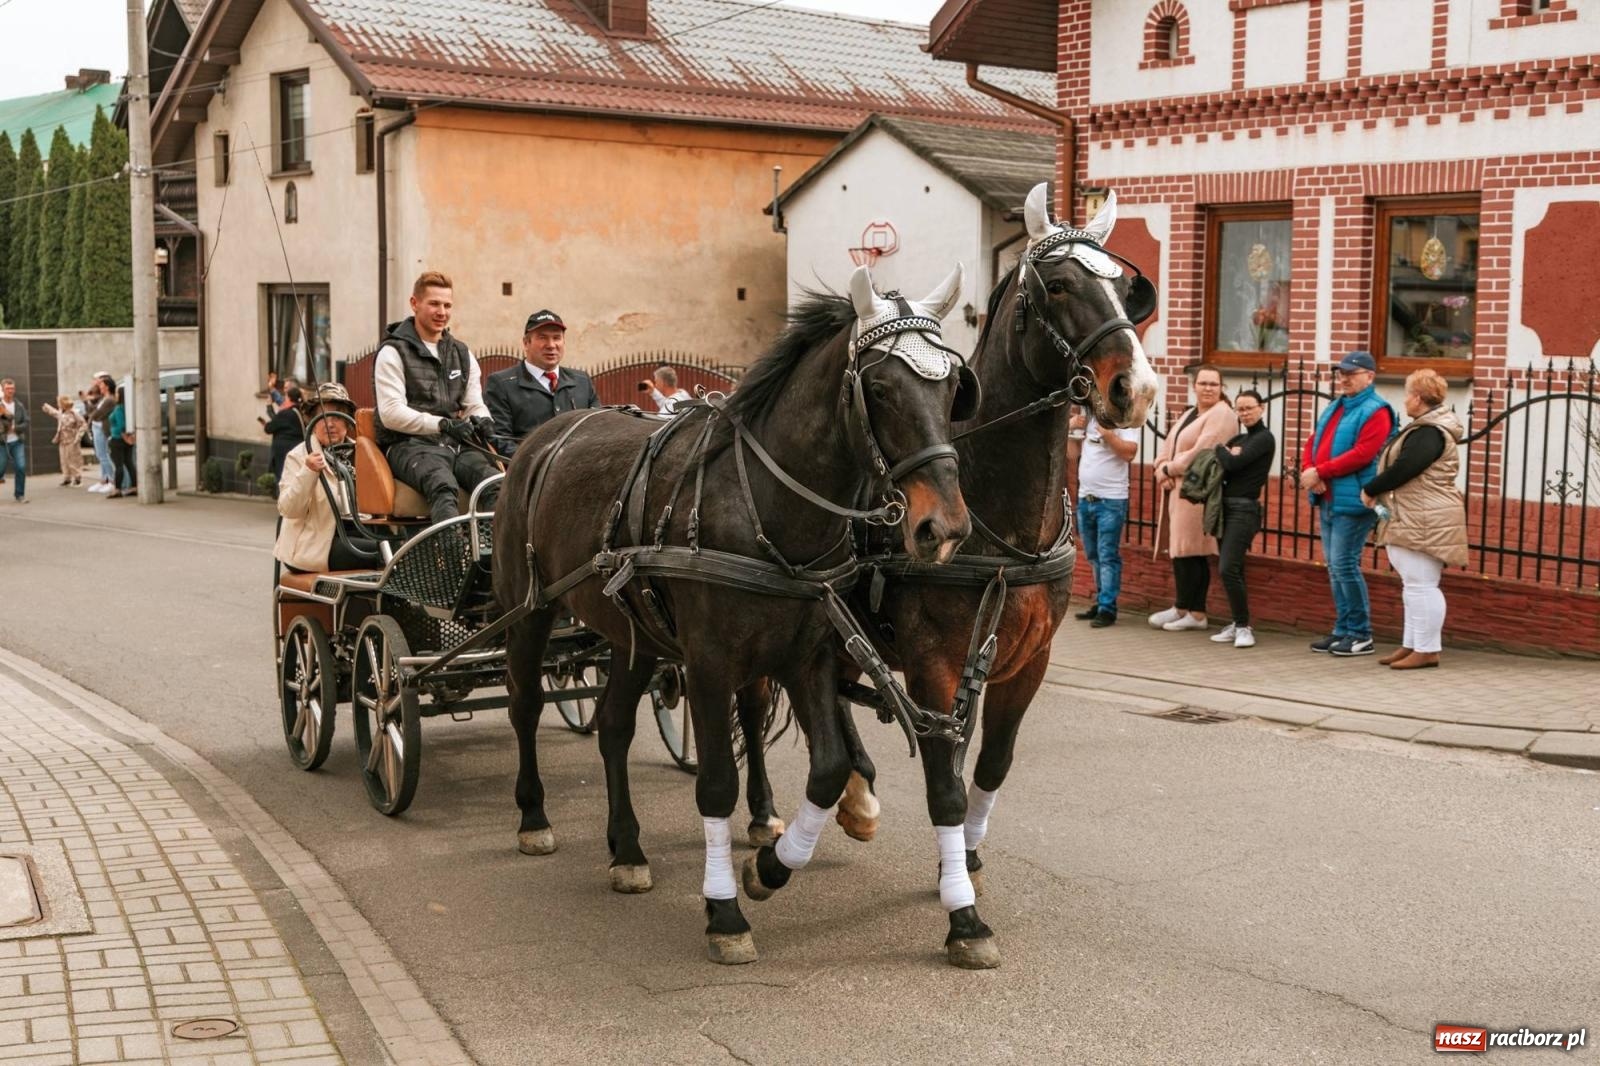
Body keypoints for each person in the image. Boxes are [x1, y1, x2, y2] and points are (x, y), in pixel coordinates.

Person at [374, 271, 501, 525]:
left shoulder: (462, 353)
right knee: (443, 486)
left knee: (496, 485)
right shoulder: (392, 352)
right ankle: (448, 562)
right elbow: (391, 414)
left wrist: (484, 420)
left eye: (447, 305)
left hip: (455, 444)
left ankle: (490, 559)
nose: (441, 311)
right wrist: (442, 424)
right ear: (414, 303)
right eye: (434, 303)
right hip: (408, 446)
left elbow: (474, 403)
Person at [1361, 369, 1466, 670]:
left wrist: (1371, 489)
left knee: (1422, 584)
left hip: (1425, 516)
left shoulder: (1429, 432)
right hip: (1417, 513)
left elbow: (1406, 468)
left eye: (1408, 394)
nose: (1405, 400)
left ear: (1418, 398)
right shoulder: (1426, 428)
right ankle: (1412, 644)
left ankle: (1428, 649)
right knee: (1413, 584)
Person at [1301, 351, 1396, 657]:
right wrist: (1309, 470)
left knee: (1344, 565)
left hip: (1353, 499)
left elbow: (1363, 454)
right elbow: (1313, 441)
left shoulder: (1377, 410)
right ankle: (1342, 629)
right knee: (1334, 568)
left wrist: (1321, 471)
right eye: (1341, 373)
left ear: (1370, 376)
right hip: (1328, 495)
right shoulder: (1336, 406)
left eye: (1351, 373)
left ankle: (1360, 633)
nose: (1343, 378)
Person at [1148, 366, 1239, 631]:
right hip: (1178, 490)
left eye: (1214, 384)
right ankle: (1181, 606)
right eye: (1203, 383)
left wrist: (1169, 469)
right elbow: (1169, 445)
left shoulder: (1222, 415)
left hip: (1198, 494)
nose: (1208, 388)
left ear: (1221, 388)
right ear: (1194, 386)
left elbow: (1202, 453)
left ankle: (1197, 613)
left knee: (1193, 551)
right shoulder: (1190, 413)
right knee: (1180, 550)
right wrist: (1160, 468)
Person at [276, 383, 380, 573]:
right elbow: (288, 508)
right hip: (316, 543)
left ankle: (387, 603)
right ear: (313, 422)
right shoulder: (299, 456)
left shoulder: (363, 453)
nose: (329, 423)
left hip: (361, 532)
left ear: (347, 422)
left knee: (403, 549)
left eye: (336, 417)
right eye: (322, 416)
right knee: (384, 554)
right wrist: (308, 471)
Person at [1208, 389, 1275, 649]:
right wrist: (1228, 453)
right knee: (1233, 569)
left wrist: (1221, 450)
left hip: (1244, 511)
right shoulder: (1241, 438)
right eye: (1240, 409)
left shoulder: (1264, 439)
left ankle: (1244, 627)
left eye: (1249, 408)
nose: (1244, 413)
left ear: (1262, 408)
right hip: (1224, 508)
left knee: (1228, 568)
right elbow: (1228, 459)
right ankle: (1238, 623)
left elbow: (1233, 464)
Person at [484, 309, 600, 455]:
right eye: (542, 338)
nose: (551, 345)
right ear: (526, 343)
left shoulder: (582, 382)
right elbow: (499, 440)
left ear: (564, 342)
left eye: (556, 338)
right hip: (529, 474)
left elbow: (597, 431)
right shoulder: (501, 384)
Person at [1068, 406, 1138, 627]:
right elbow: (1072, 455)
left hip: (1111, 500)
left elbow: (1129, 453)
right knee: (1093, 555)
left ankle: (1108, 608)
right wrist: (1069, 430)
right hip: (1086, 497)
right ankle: (1101, 601)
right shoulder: (1087, 420)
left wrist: (1107, 433)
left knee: (1107, 555)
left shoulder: (1124, 419)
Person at [81, 374, 119, 493]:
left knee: (104, 455)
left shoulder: (109, 400)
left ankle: (111, 480)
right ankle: (104, 479)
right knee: (101, 455)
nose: (99, 386)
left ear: (107, 386)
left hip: (102, 428)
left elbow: (96, 414)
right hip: (97, 427)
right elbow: (91, 412)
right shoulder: (104, 398)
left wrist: (90, 408)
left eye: (101, 384)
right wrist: (86, 402)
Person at [262, 386, 306, 485]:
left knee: (283, 482)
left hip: (284, 455)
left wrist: (269, 408)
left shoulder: (286, 413)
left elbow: (269, 428)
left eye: (285, 397)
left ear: (289, 398)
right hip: (299, 451)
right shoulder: (303, 412)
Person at [42, 395, 87, 486]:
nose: (58, 404)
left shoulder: (74, 413)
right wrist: (47, 408)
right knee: (64, 459)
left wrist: (78, 436)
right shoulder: (61, 413)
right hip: (62, 439)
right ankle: (67, 477)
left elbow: (83, 424)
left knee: (73, 459)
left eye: (59, 402)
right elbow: (54, 413)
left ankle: (77, 478)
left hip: (72, 439)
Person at [106, 386, 137, 499]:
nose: (115, 395)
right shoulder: (128, 408)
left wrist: (125, 436)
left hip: (118, 438)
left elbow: (120, 425)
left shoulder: (118, 408)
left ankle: (117, 489)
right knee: (129, 463)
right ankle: (134, 486)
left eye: (117, 393)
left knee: (118, 465)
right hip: (127, 438)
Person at [0, 378, 27, 503]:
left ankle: (19, 494)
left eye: (12, 388)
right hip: (2, 442)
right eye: (7, 388)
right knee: (1, 468)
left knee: (21, 467)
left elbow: (26, 422)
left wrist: (16, 428)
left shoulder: (19, 405)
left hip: (17, 441)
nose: (10, 391)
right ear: (2, 389)